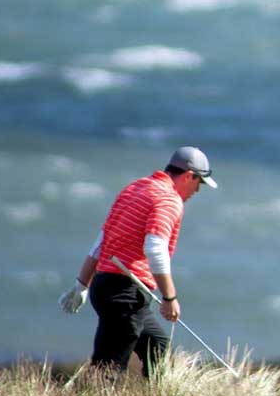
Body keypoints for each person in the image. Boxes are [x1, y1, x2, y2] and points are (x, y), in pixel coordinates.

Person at [60, 146, 218, 375]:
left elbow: (101, 241)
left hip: (106, 287)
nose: (198, 190)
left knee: (157, 346)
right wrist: (169, 297)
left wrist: (82, 285)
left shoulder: (136, 187)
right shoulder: (169, 199)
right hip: (123, 292)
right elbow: (155, 249)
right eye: (199, 183)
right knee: (108, 371)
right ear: (188, 176)